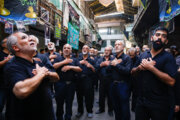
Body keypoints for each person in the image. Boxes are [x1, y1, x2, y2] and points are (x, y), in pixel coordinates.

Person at [4, 32, 60, 120]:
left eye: (29, 36)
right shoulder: (12, 65)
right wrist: (41, 74)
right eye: (24, 38)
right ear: (16, 47)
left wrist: (47, 74)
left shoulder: (38, 62)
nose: (30, 38)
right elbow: (21, 90)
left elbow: (56, 77)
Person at [131, 27, 177, 120]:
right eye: (157, 35)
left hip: (159, 104)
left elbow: (171, 81)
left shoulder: (168, 58)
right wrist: (139, 68)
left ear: (166, 41)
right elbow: (132, 72)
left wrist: (151, 68)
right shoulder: (143, 55)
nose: (160, 38)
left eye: (163, 36)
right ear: (152, 38)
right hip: (142, 102)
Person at [53, 44, 82, 120]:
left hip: (71, 85)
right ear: (62, 50)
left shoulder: (75, 59)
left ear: (71, 50)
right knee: (59, 103)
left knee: (69, 103)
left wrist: (70, 67)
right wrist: (64, 62)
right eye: (65, 48)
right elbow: (53, 66)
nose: (66, 49)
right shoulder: (58, 58)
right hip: (59, 84)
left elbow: (80, 69)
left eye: (68, 48)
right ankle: (59, 118)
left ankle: (68, 118)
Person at [109, 40, 132, 120]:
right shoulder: (113, 57)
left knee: (124, 107)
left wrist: (117, 65)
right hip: (113, 85)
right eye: (115, 44)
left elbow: (127, 71)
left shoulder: (127, 58)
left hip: (123, 85)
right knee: (116, 106)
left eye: (119, 44)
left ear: (123, 47)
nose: (116, 46)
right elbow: (108, 70)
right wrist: (111, 63)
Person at [76, 45, 95, 118]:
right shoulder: (77, 59)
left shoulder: (92, 60)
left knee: (89, 97)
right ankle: (80, 111)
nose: (84, 49)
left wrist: (90, 66)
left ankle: (89, 111)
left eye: (86, 48)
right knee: (79, 96)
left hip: (88, 80)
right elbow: (74, 67)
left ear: (88, 51)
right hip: (79, 80)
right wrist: (79, 63)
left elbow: (95, 70)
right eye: (83, 48)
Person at [95, 46, 114, 116]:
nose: (106, 51)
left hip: (110, 81)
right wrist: (102, 64)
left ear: (110, 52)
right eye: (105, 50)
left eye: (108, 50)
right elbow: (96, 67)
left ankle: (110, 110)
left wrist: (108, 65)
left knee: (110, 96)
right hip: (102, 81)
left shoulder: (113, 59)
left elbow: (114, 68)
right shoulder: (100, 59)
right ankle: (101, 109)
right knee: (101, 96)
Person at [0, 38, 13, 119]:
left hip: (11, 83)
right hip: (1, 84)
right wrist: (6, 60)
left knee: (12, 105)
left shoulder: (14, 54)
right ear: (3, 45)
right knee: (0, 103)